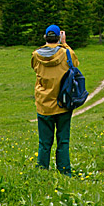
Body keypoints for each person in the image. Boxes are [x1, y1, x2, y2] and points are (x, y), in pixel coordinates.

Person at [31, 24, 79, 176]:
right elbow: (75, 65)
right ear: (59, 37)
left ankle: (42, 171)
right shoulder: (66, 53)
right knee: (63, 140)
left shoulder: (36, 55)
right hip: (63, 103)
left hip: (43, 104)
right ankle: (65, 172)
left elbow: (34, 68)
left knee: (44, 142)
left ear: (45, 37)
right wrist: (64, 43)